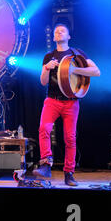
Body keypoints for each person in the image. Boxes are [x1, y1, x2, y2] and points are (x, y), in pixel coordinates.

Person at [33, 23, 100, 186]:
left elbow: (96, 71)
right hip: (52, 100)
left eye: (62, 31)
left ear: (68, 36)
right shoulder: (49, 56)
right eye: (56, 31)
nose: (58, 32)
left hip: (71, 102)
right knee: (44, 128)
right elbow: (43, 82)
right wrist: (46, 69)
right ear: (54, 37)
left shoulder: (77, 54)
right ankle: (46, 164)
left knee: (70, 138)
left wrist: (73, 70)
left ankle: (69, 173)